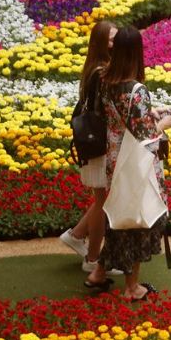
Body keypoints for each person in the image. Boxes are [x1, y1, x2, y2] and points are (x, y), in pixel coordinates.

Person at [84, 25, 171, 301]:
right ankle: (131, 287)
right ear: (137, 52)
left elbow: (124, 120)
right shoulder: (136, 90)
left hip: (114, 158)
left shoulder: (104, 78)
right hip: (135, 163)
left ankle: (98, 273)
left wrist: (149, 113)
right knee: (139, 220)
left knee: (119, 216)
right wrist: (162, 123)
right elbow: (145, 136)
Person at [59, 20, 122, 275]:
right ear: (100, 43)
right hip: (100, 142)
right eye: (110, 39)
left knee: (102, 199)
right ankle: (93, 258)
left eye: (116, 38)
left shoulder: (95, 68)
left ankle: (76, 235)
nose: (115, 43)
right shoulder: (102, 71)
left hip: (95, 141)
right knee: (103, 201)